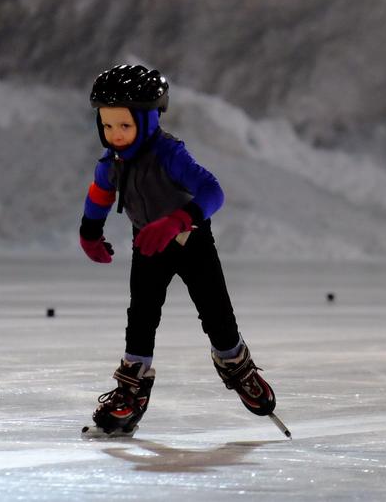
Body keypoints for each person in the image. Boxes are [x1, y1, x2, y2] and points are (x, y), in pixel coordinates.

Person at [79, 64, 277, 435]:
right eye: (107, 125)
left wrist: (177, 220)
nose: (115, 134)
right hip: (148, 243)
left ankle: (235, 362)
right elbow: (101, 192)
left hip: (191, 241)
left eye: (124, 125)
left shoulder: (169, 154)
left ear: (148, 121)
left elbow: (213, 191)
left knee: (215, 310)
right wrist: (90, 232)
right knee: (141, 314)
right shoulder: (113, 162)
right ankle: (132, 386)